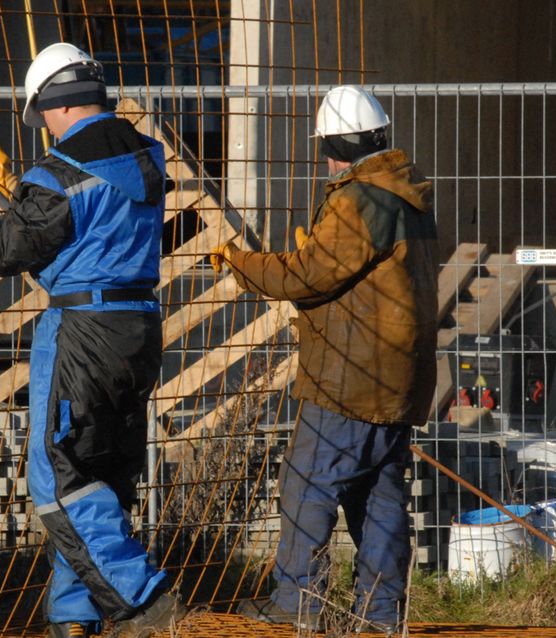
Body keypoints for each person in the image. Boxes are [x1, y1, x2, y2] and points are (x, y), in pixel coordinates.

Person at [0, 42, 185, 638]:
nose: (45, 130)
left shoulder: (57, 177)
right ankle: (75, 616)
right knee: (102, 469)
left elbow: (4, 251)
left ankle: (141, 601)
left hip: (82, 333)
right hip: (137, 327)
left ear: (55, 105)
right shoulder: (145, 156)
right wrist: (23, 193)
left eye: (43, 117)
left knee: (57, 474)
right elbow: (83, 243)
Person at [211, 85, 438, 634]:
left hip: (350, 376)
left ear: (334, 146)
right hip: (398, 379)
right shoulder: (407, 197)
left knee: (307, 485)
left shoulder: (360, 199)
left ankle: (297, 604)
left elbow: (306, 277)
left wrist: (241, 262)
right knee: (377, 495)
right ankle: (381, 616)